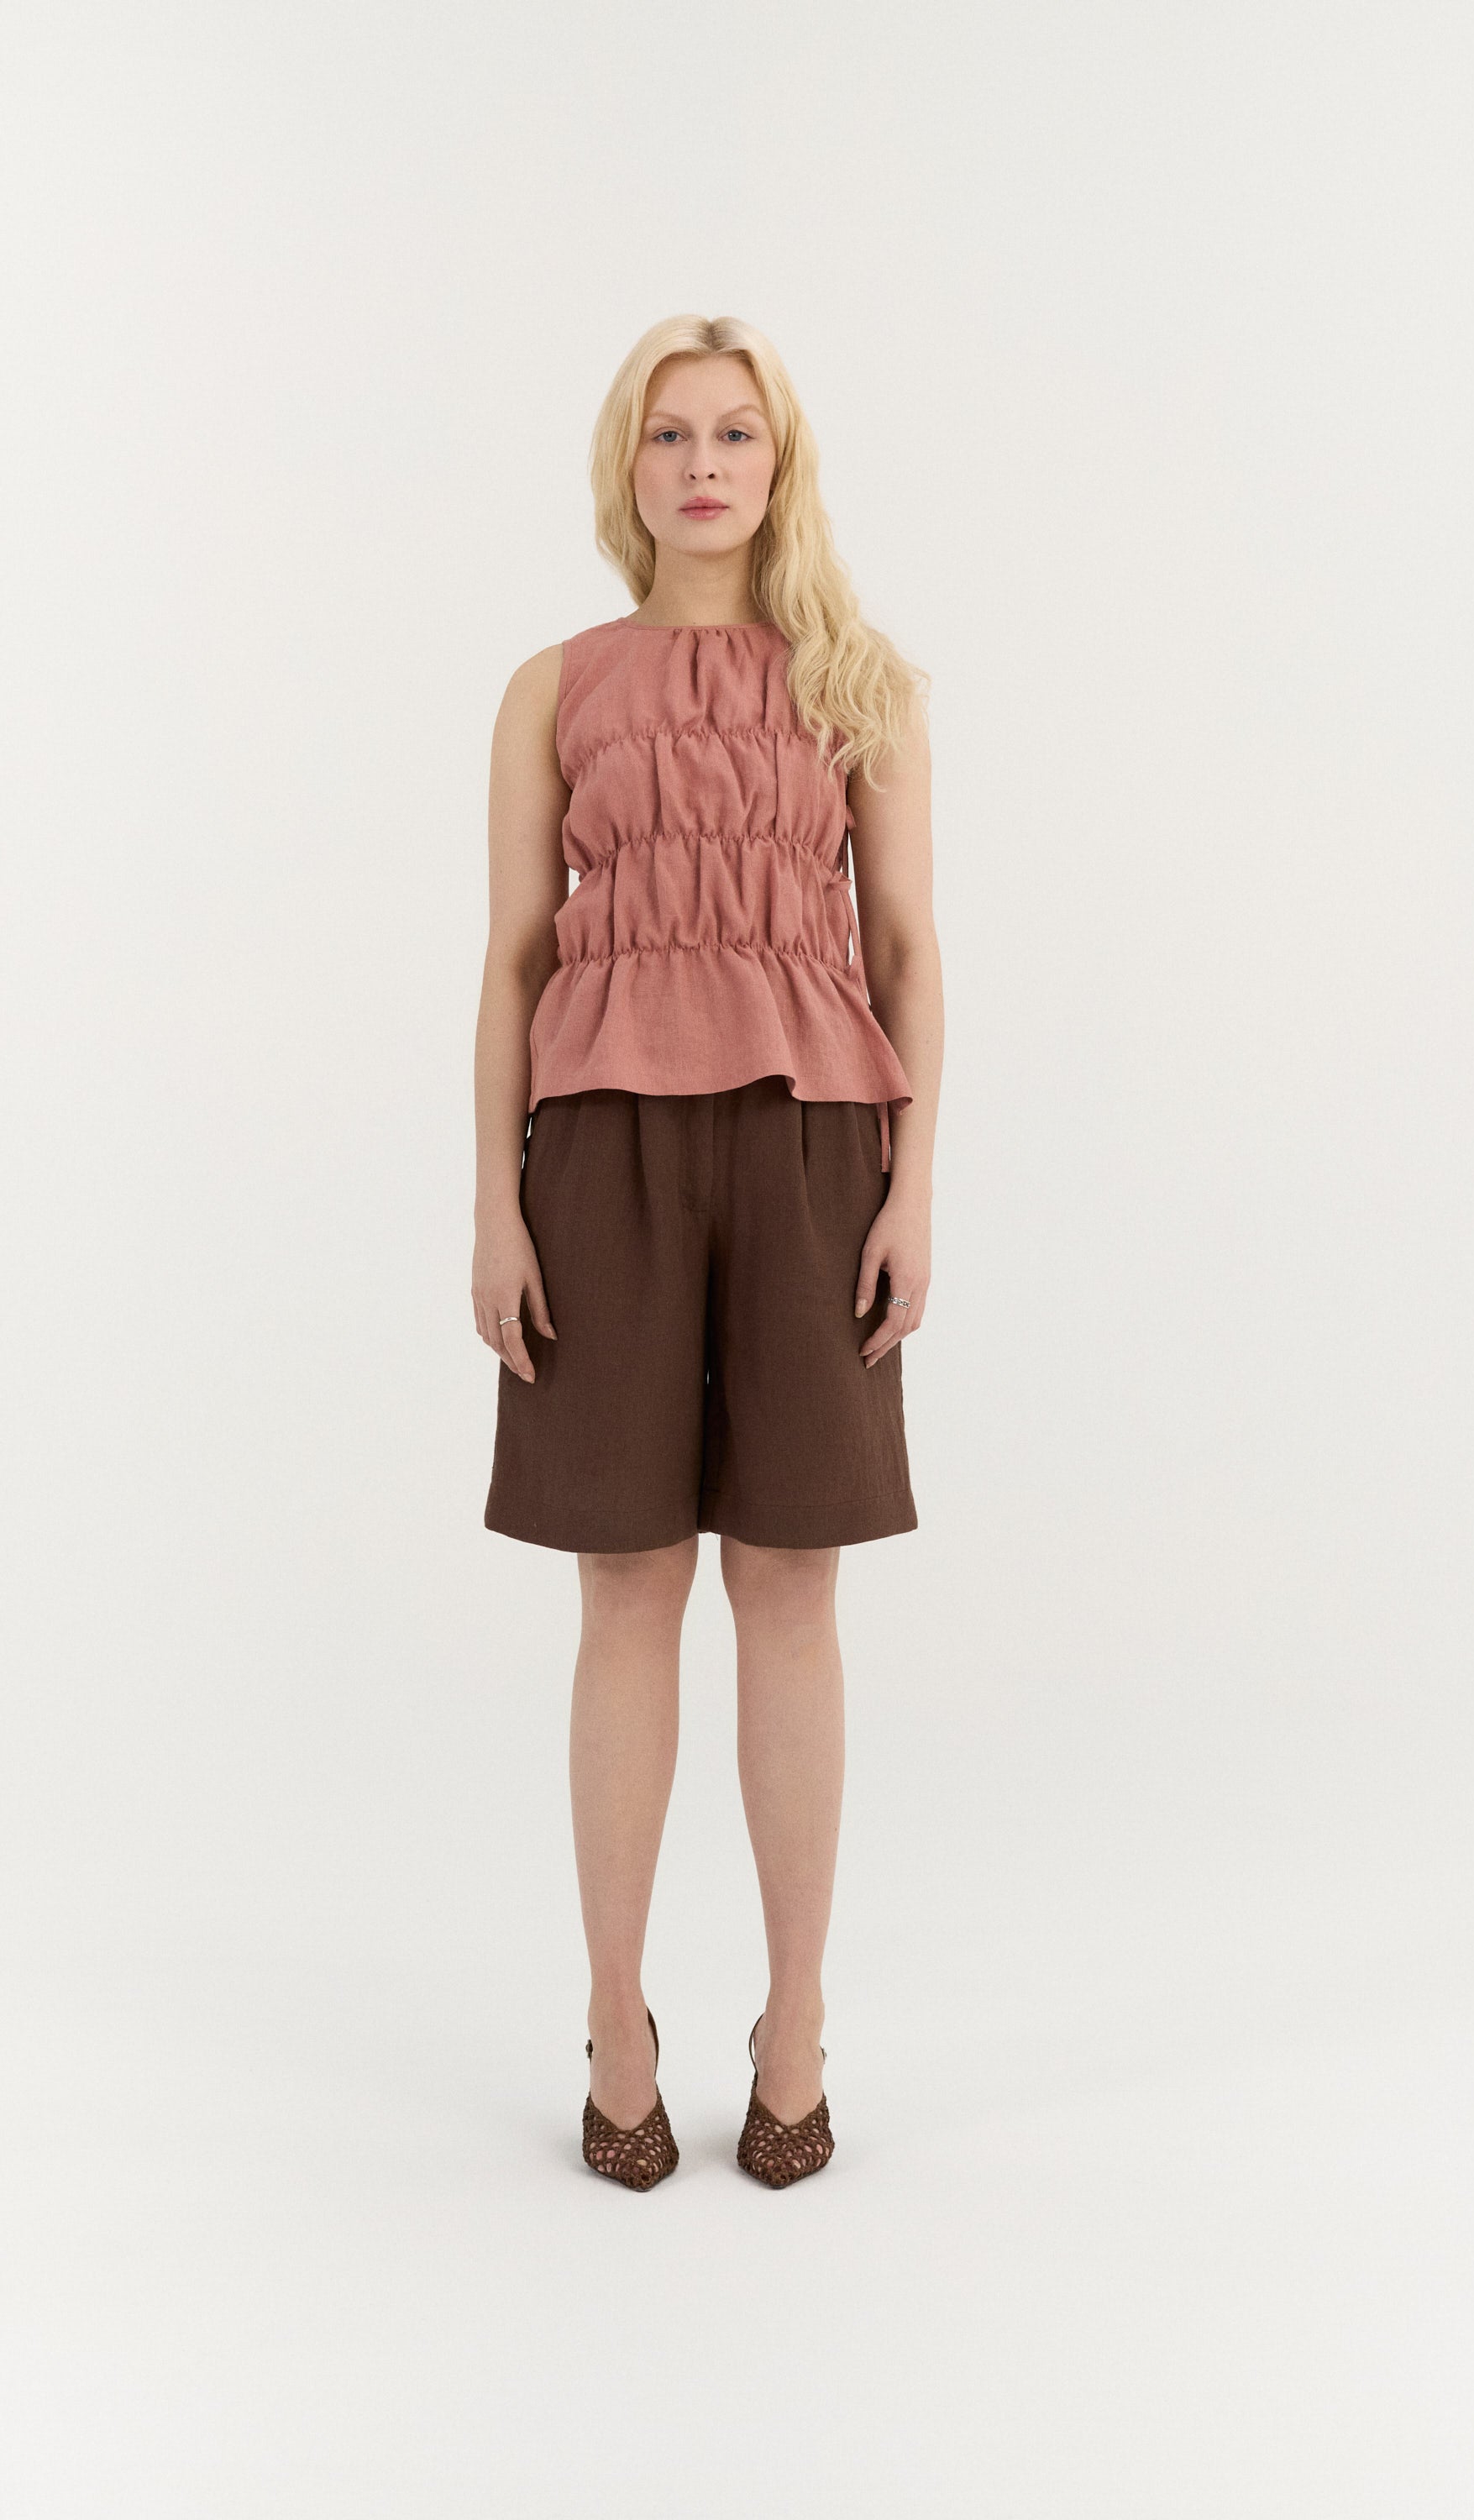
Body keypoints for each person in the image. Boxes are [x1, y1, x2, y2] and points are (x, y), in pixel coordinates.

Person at [469, 313, 944, 2191]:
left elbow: (903, 952)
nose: (702, 464)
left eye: (736, 432)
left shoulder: (860, 681)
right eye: (669, 433)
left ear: (780, 461)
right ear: (630, 465)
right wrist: (493, 1199)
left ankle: (795, 2021)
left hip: (816, 1140)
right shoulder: (551, 687)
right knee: (624, 1585)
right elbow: (515, 957)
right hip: (602, 1144)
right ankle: (615, 2020)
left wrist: (913, 1187)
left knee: (795, 1586)